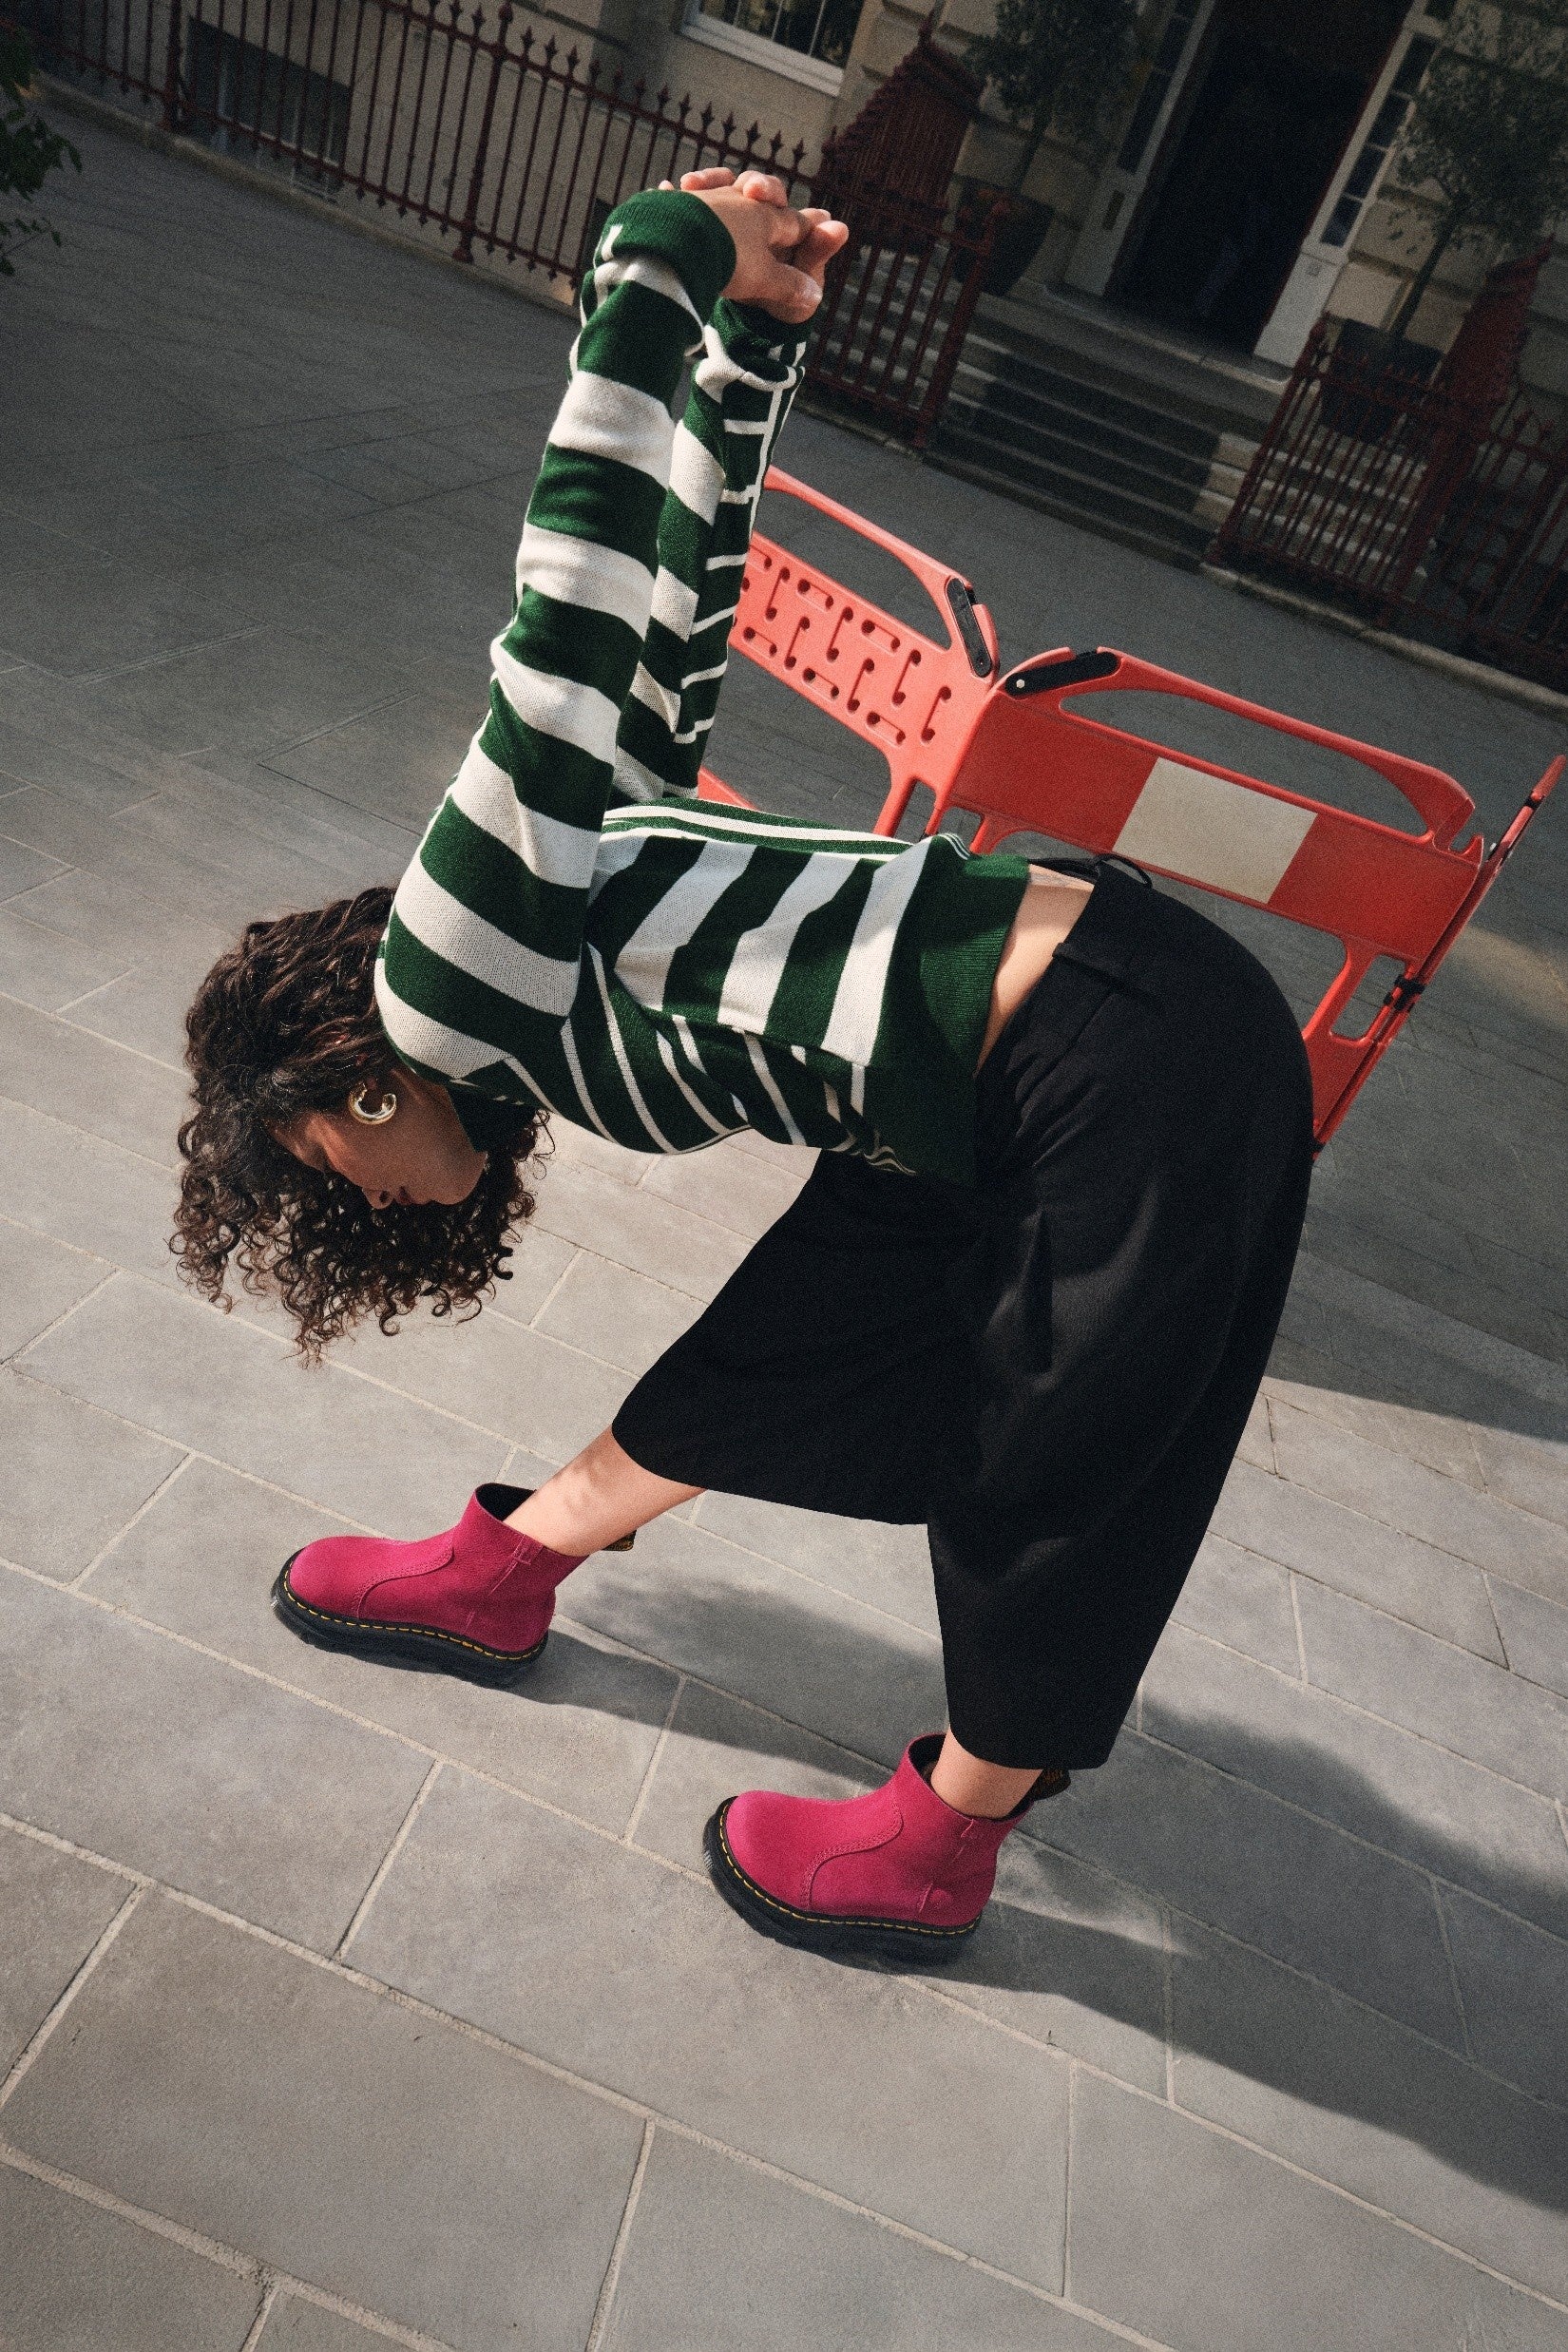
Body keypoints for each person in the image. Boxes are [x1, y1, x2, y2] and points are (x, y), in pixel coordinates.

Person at [176, 169, 1312, 1965]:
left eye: (327, 1169)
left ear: (346, 1087)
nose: (364, 1202)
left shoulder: (445, 978)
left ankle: (938, 1847)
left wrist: (653, 272)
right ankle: (503, 1574)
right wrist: (750, 352)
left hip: (1130, 1063)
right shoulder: (541, 936)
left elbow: (563, 630)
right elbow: (675, 606)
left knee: (1055, 1468)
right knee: (782, 1336)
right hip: (963, 1090)